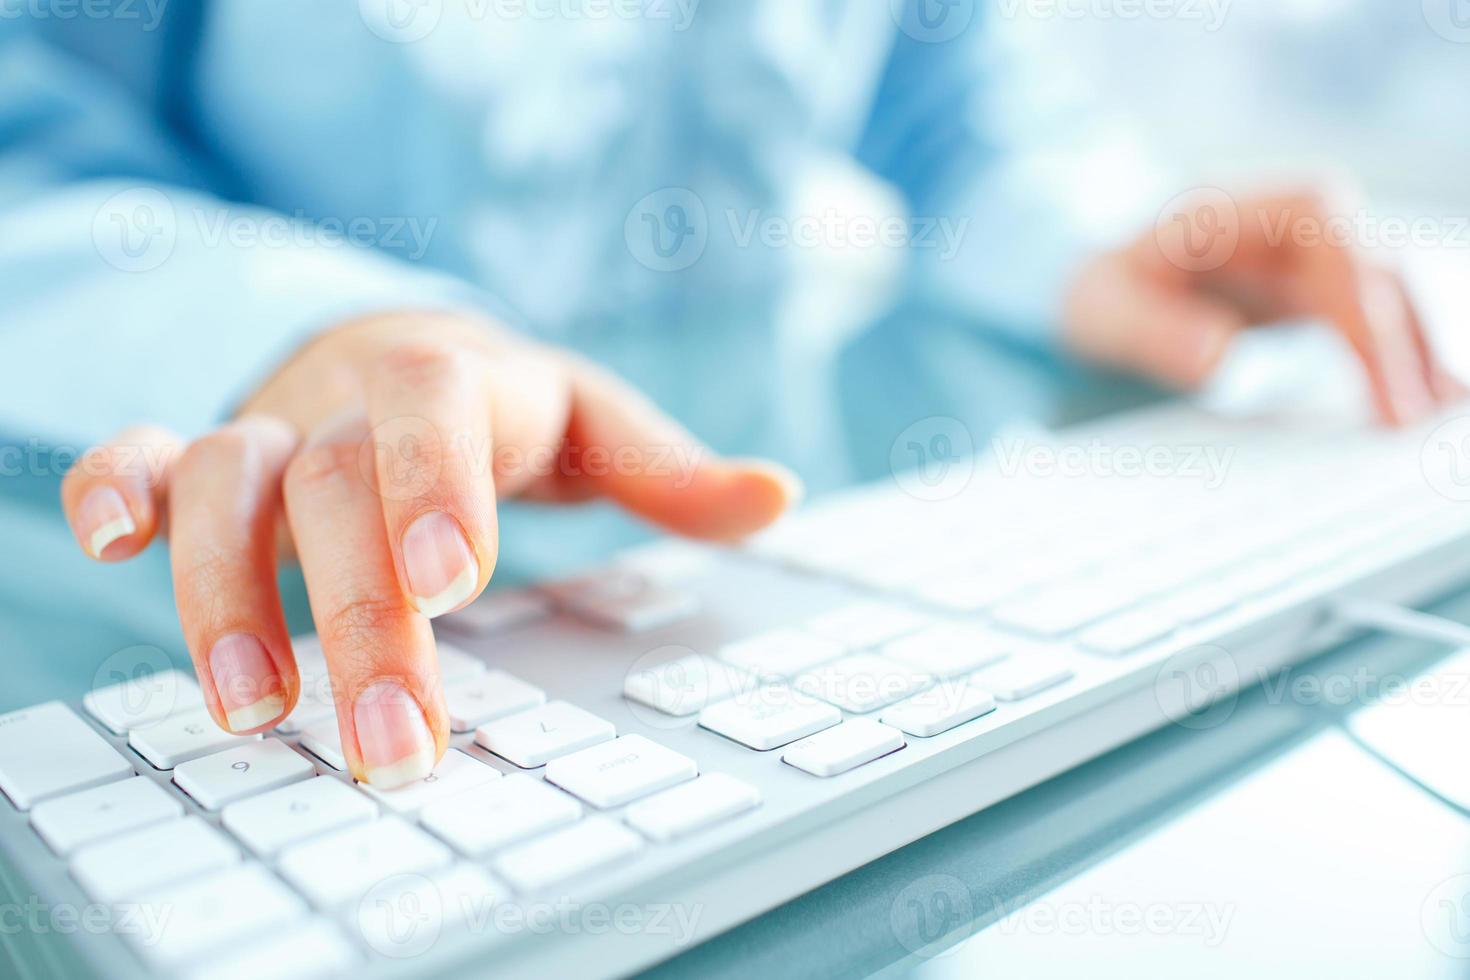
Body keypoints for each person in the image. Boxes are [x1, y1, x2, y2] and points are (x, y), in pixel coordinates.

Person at [0, 2, 1457, 788]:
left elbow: (952, 99)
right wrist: (320, 328)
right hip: (245, 516)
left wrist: (1101, 238)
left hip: (738, 505)